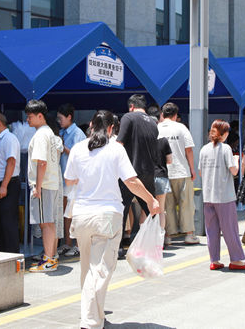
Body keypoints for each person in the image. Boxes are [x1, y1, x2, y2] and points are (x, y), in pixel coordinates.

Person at [64, 110, 160, 329]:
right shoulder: (116, 149)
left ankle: (94, 317)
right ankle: (90, 322)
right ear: (111, 129)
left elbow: (69, 180)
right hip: (107, 216)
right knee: (100, 270)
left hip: (81, 216)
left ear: (91, 125)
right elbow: (131, 181)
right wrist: (151, 199)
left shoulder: (78, 148)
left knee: (88, 267)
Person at [200, 120, 245, 270]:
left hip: (208, 195)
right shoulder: (225, 148)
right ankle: (236, 260)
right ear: (224, 134)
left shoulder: (204, 149)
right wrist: (236, 161)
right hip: (224, 195)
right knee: (230, 229)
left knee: (211, 230)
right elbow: (234, 171)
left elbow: (201, 172)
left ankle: (214, 260)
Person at [116, 94, 159, 255]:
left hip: (130, 173)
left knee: (122, 210)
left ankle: (118, 247)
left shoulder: (128, 117)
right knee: (150, 208)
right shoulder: (153, 123)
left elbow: (119, 144)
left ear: (132, 106)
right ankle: (155, 244)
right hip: (148, 172)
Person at [26, 99, 64, 272]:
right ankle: (51, 257)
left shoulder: (41, 134)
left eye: (30, 116)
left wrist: (37, 186)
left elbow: (41, 162)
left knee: (45, 223)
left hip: (44, 184)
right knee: (49, 222)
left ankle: (49, 260)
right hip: (51, 183)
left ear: (40, 116)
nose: (28, 119)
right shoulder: (49, 132)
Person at [157, 103, 198, 246]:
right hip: (182, 170)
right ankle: (189, 235)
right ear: (175, 115)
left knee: (166, 205)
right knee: (186, 203)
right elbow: (189, 150)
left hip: (163, 172)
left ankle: (168, 236)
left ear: (162, 114)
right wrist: (192, 169)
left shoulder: (157, 128)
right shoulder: (181, 128)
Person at [0, 110, 21, 254]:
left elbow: (11, 162)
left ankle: (12, 255)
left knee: (8, 223)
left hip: (8, 184)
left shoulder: (9, 139)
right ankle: (3, 254)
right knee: (0, 223)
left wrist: (4, 186)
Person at [57, 103, 87, 258]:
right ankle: (68, 243)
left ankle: (78, 244)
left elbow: (80, 156)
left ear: (69, 117)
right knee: (66, 213)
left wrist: (64, 148)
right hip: (63, 178)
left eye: (61, 118)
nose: (59, 121)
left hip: (75, 180)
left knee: (75, 213)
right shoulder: (61, 132)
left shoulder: (77, 134)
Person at [154, 136, 173, 245]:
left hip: (146, 177)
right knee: (161, 210)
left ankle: (146, 240)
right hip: (161, 176)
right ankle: (160, 241)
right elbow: (169, 160)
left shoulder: (144, 139)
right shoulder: (163, 141)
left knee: (145, 211)